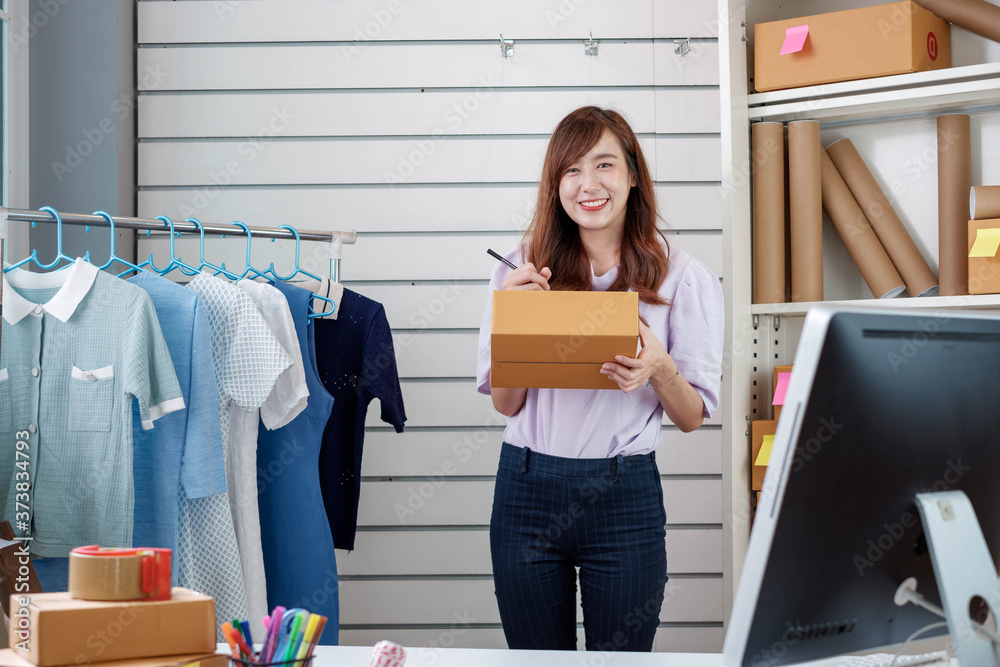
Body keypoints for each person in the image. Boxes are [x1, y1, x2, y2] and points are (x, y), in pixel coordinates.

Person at [475, 106, 724, 652]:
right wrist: (517, 325)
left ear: (633, 174)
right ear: (554, 184)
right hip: (526, 494)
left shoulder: (684, 277)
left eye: (605, 165)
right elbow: (506, 405)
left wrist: (660, 370)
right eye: (571, 170)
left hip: (624, 498)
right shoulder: (518, 271)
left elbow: (691, 418)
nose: (588, 185)